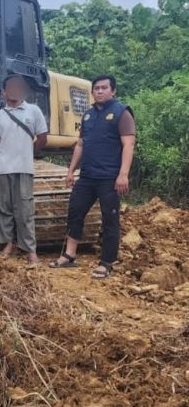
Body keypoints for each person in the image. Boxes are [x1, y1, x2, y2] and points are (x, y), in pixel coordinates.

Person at [50, 75, 136, 278]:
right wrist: (71, 170)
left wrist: (123, 174)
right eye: (96, 88)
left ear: (112, 91)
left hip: (109, 178)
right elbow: (80, 145)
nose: (99, 91)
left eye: (104, 88)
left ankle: (106, 263)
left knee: (110, 219)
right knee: (75, 212)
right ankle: (69, 255)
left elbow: (129, 145)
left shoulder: (121, 113)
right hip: (87, 177)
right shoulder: (87, 115)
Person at [0, 74, 48, 264]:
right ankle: (8, 243)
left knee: (24, 210)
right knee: (2, 209)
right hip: (2, 169)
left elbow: (42, 138)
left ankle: (30, 250)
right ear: (3, 92)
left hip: (24, 168)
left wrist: (28, 154)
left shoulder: (33, 111)